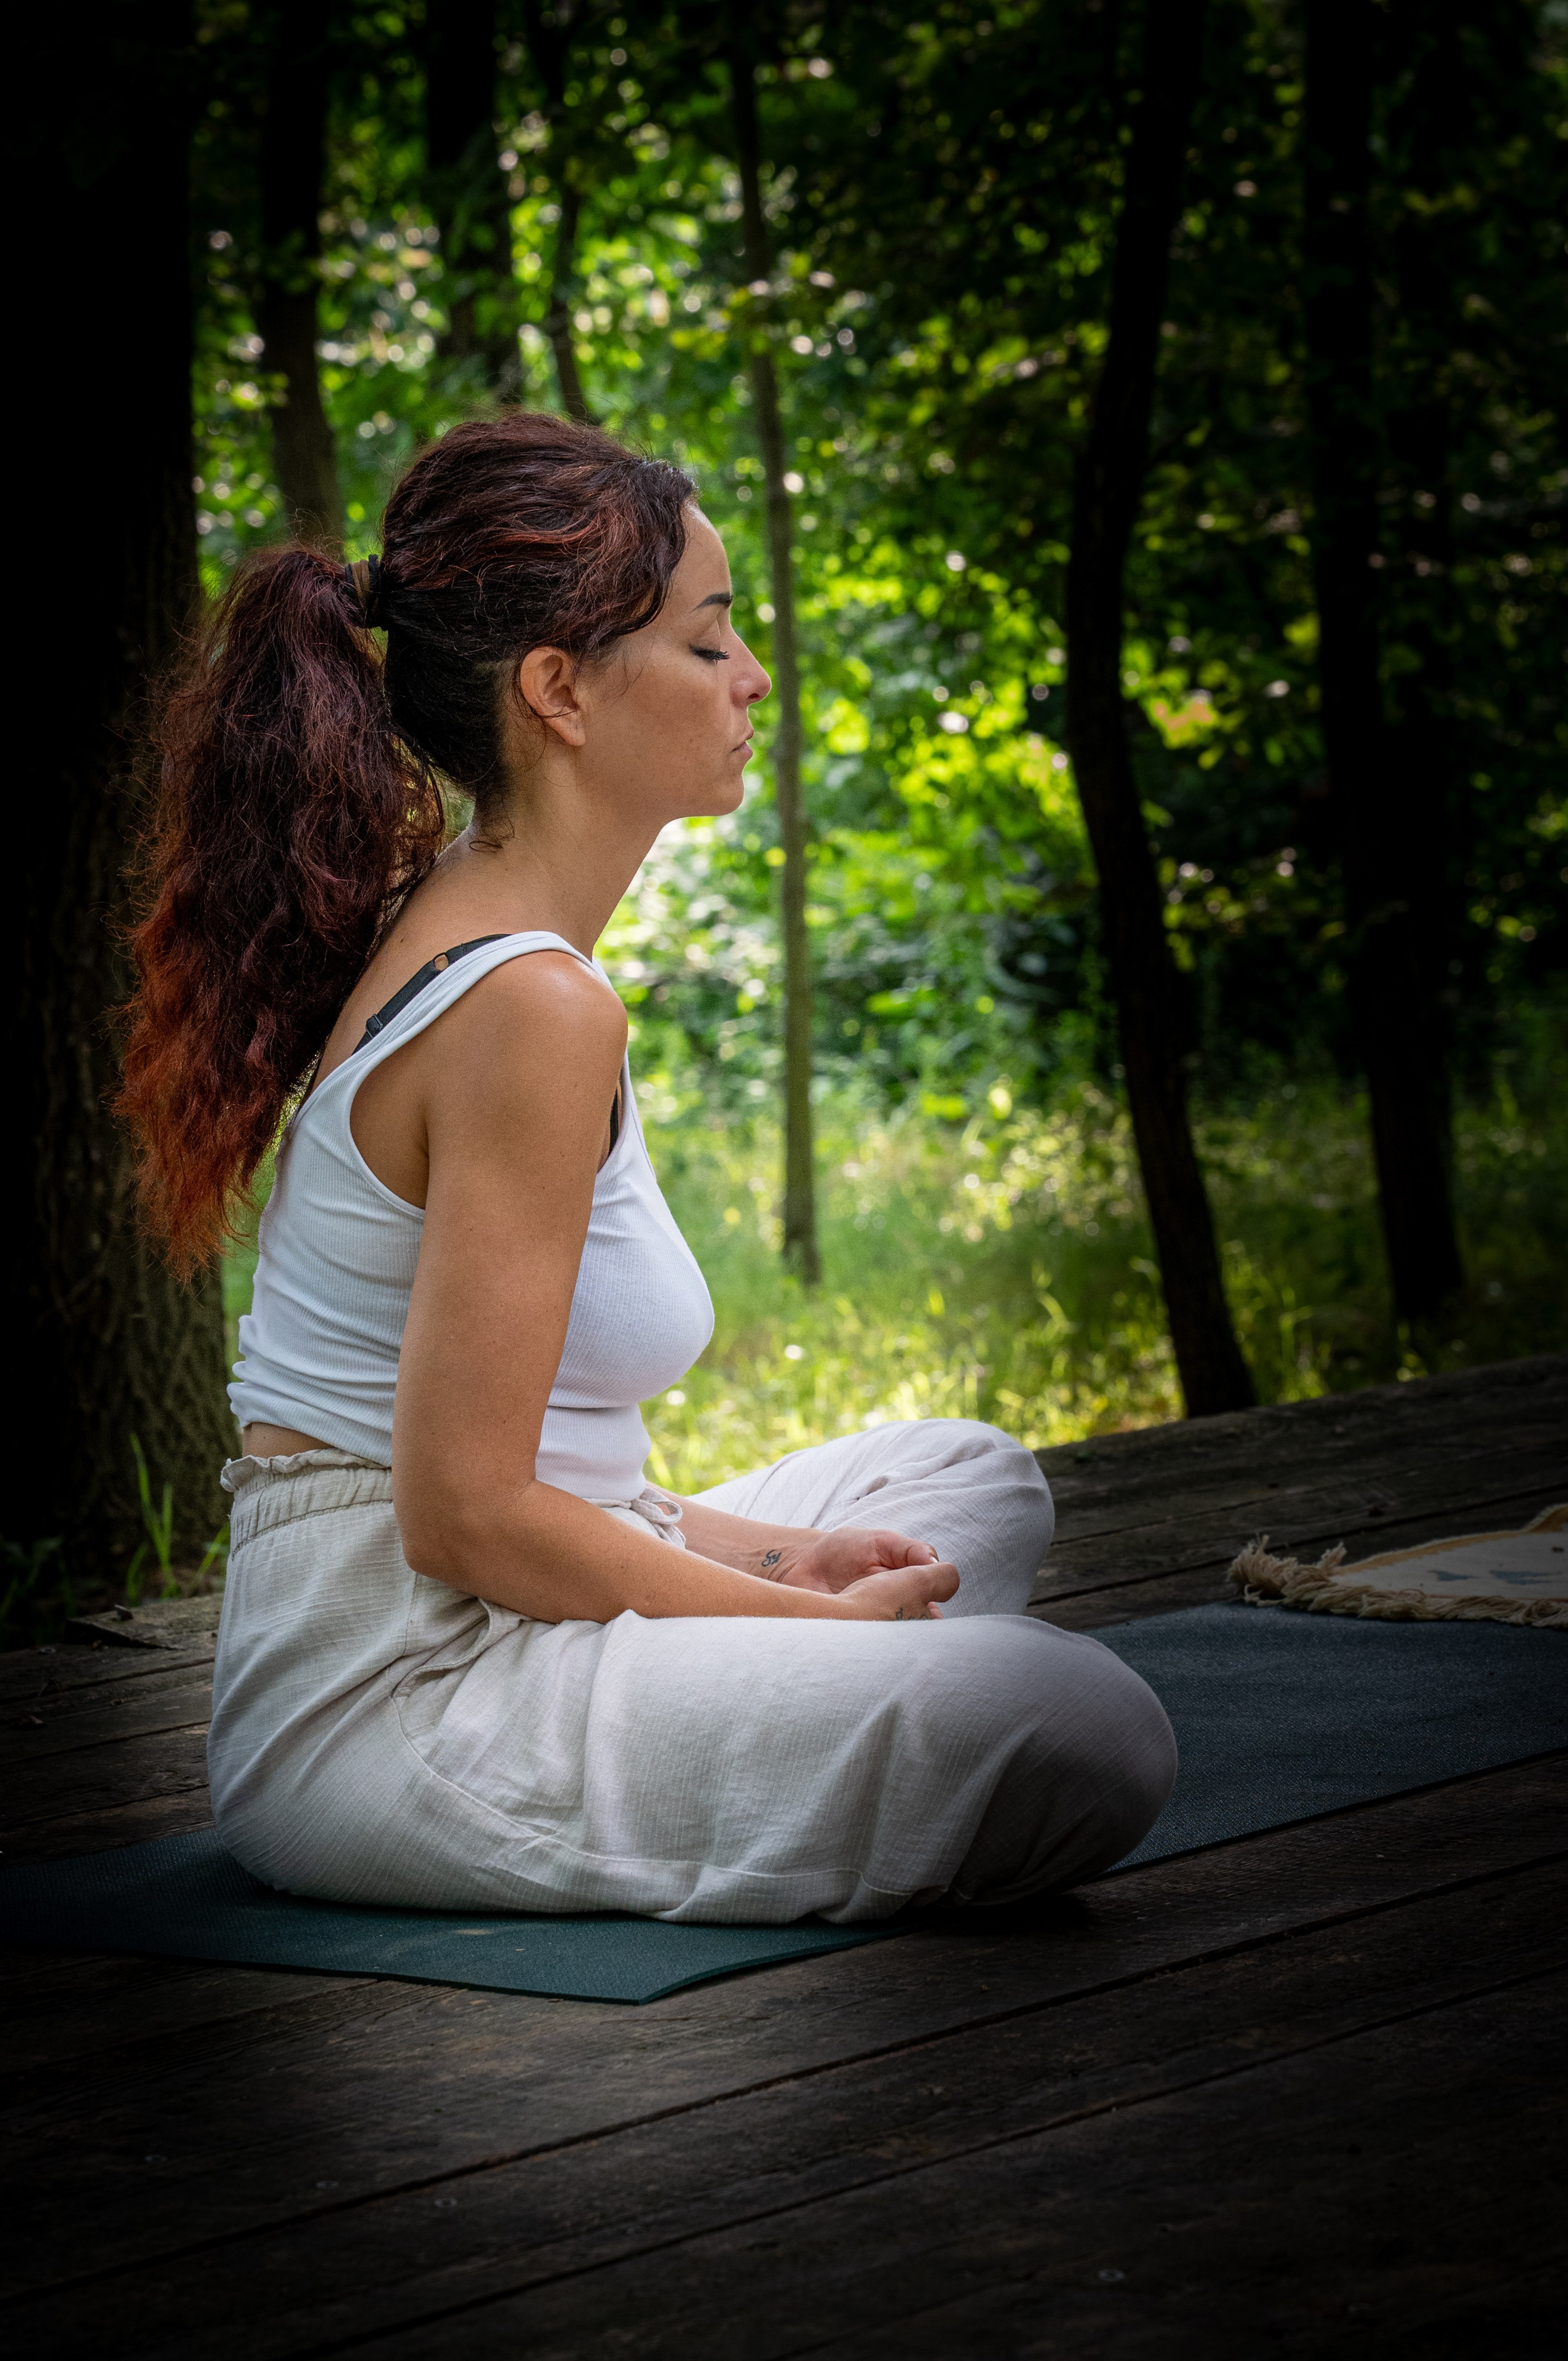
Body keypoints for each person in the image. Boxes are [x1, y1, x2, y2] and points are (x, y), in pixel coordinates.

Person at [122, 411, 1174, 1923]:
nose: (754, 680)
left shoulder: (495, 936)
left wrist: (791, 1560)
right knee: (1086, 1724)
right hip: (398, 1702)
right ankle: (823, 1691)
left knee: (971, 1482)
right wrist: (799, 1625)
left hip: (509, 1595)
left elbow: (541, 1479)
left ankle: (794, 1670)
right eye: (708, 642)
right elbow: (463, 1519)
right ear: (558, 689)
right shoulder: (527, 1005)